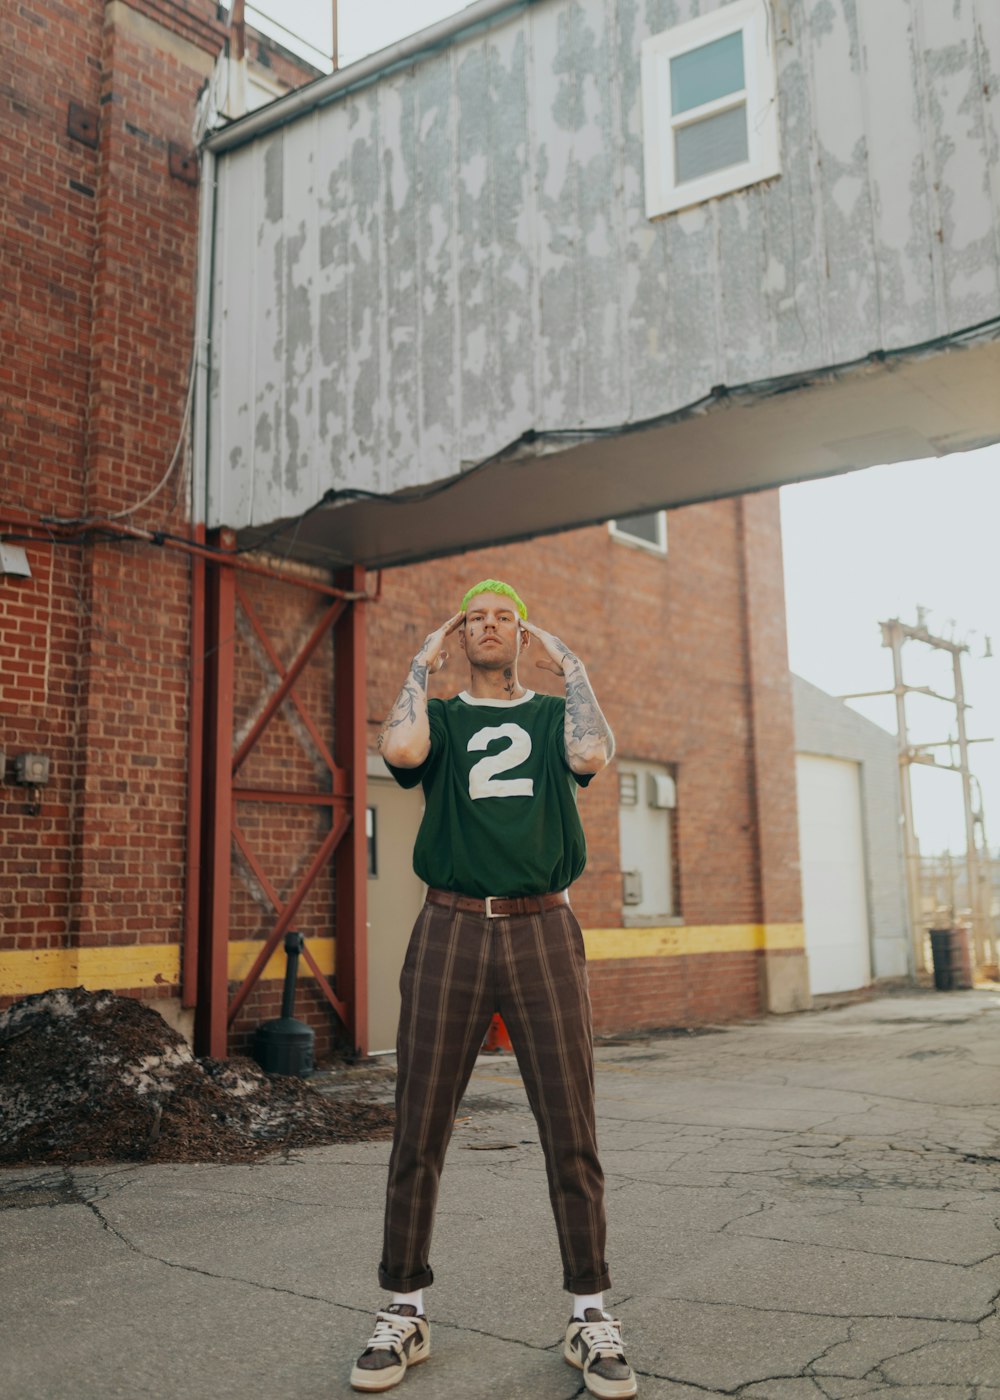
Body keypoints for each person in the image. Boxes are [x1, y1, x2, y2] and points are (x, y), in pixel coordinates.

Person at [350, 580, 637, 1399]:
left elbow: (592, 755)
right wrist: (419, 660)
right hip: (447, 925)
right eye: (474, 617)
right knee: (420, 1124)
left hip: (543, 924)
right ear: (457, 634)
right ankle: (404, 1307)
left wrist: (570, 664)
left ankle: (590, 1313)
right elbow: (399, 753)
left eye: (504, 617)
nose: (488, 626)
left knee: (570, 1124)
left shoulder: (551, 715)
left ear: (524, 636)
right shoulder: (437, 715)